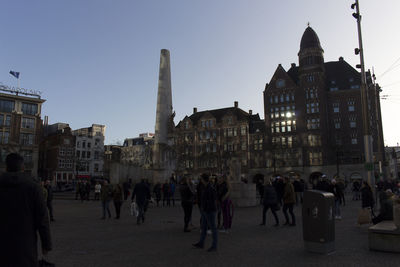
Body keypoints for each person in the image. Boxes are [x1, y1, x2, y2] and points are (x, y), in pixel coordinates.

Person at [0, 153, 52, 266]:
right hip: (25, 247)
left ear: (6, 167)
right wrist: (46, 244)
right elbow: (42, 218)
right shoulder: (33, 187)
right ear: (23, 167)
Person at [193, 173, 218, 252]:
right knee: (204, 227)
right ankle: (201, 242)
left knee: (213, 228)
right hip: (205, 210)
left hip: (209, 211)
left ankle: (214, 245)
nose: (200, 180)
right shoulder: (206, 187)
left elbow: (211, 200)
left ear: (203, 179)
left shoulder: (210, 188)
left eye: (201, 179)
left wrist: (206, 208)